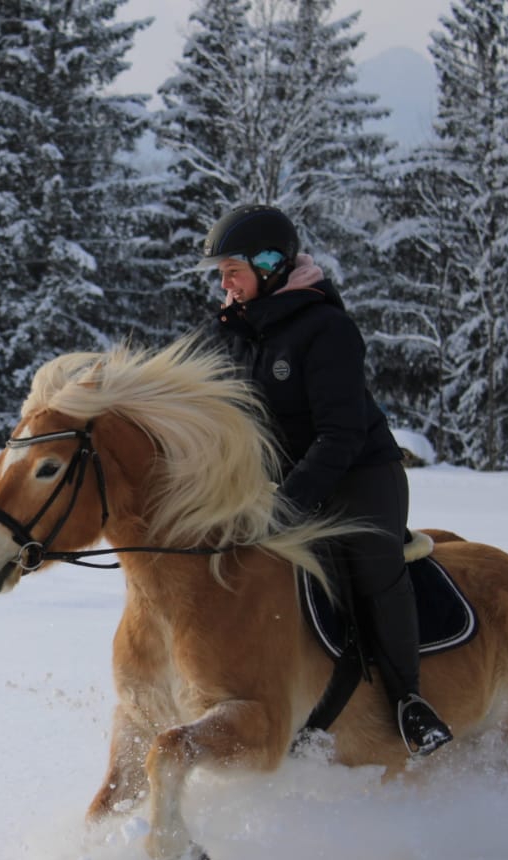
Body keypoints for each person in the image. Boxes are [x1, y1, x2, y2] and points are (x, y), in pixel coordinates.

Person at [200, 203, 452, 755]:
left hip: (360, 475)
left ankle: (409, 701)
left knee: (373, 570)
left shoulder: (326, 329)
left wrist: (288, 504)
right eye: (221, 274)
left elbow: (340, 435)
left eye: (233, 271)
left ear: (271, 265)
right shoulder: (228, 331)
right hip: (276, 482)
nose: (225, 284)